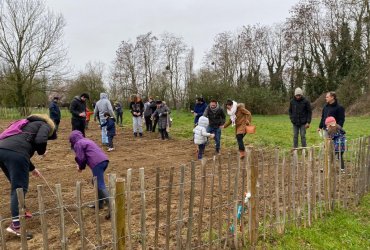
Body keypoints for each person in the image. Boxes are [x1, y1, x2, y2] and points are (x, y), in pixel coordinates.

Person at [0, 114, 57, 239]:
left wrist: (32, 168)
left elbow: (17, 145)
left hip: (2, 149)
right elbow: (40, 141)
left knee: (16, 184)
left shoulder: (25, 123)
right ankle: (15, 226)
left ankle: (21, 209)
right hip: (15, 153)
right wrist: (42, 152)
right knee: (18, 188)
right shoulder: (45, 125)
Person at [69, 130, 110, 219]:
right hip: (104, 161)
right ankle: (100, 204)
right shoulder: (87, 140)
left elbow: (81, 158)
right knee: (95, 181)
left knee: (100, 184)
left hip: (97, 163)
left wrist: (80, 167)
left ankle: (111, 206)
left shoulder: (78, 144)